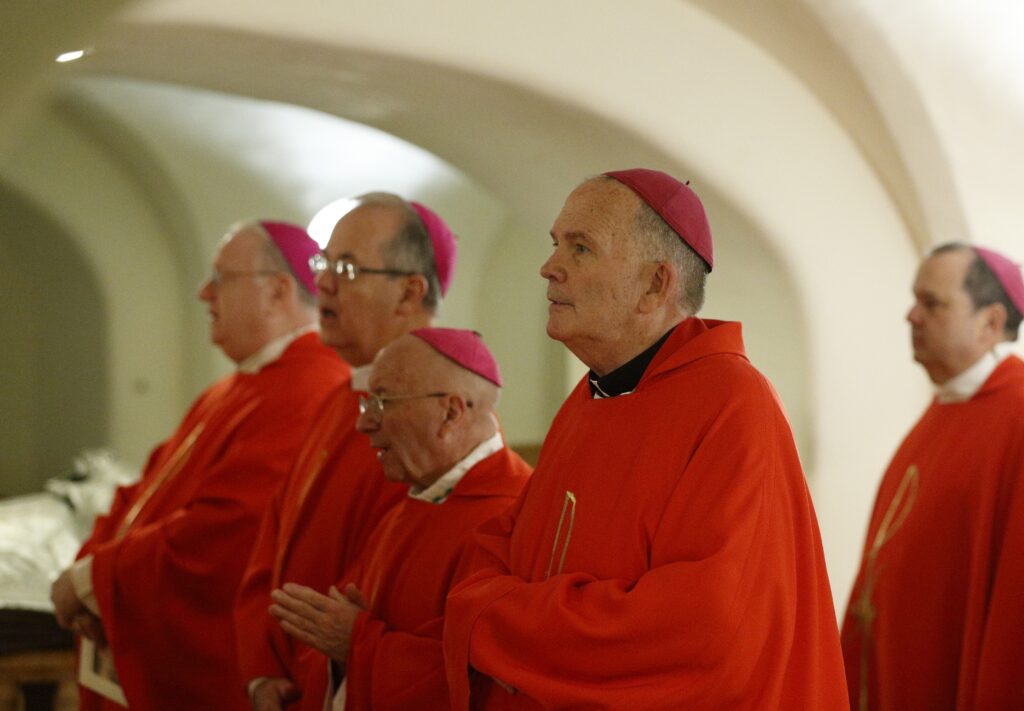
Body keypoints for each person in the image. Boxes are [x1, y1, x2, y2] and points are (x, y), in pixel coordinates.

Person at [443, 169, 849, 710]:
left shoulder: (732, 405)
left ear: (656, 284)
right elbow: (508, 543)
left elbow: (699, 630)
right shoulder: (593, 397)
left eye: (581, 247)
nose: (549, 267)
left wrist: (495, 622)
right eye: (556, 243)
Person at [49, 221, 349, 710]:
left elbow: (229, 531)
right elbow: (142, 493)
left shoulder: (311, 386)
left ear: (277, 291)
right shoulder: (232, 388)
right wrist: (91, 575)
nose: (204, 293)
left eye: (221, 278)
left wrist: (95, 580)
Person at [234, 194, 458, 711]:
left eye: (348, 267)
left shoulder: (437, 416)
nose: (324, 283)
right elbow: (273, 536)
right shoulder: (341, 396)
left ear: (409, 292)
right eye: (324, 263)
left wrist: (316, 673)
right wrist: (261, 669)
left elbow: (398, 576)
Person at [269, 328, 532, 711]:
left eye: (381, 402)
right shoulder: (410, 506)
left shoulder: (512, 520)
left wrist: (356, 642)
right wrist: (342, 649)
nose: (363, 424)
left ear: (450, 413)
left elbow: (487, 684)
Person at [841, 243, 1024, 710]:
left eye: (932, 303)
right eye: (915, 300)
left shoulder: (1017, 416)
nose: (911, 317)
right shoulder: (942, 411)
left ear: (991, 323)